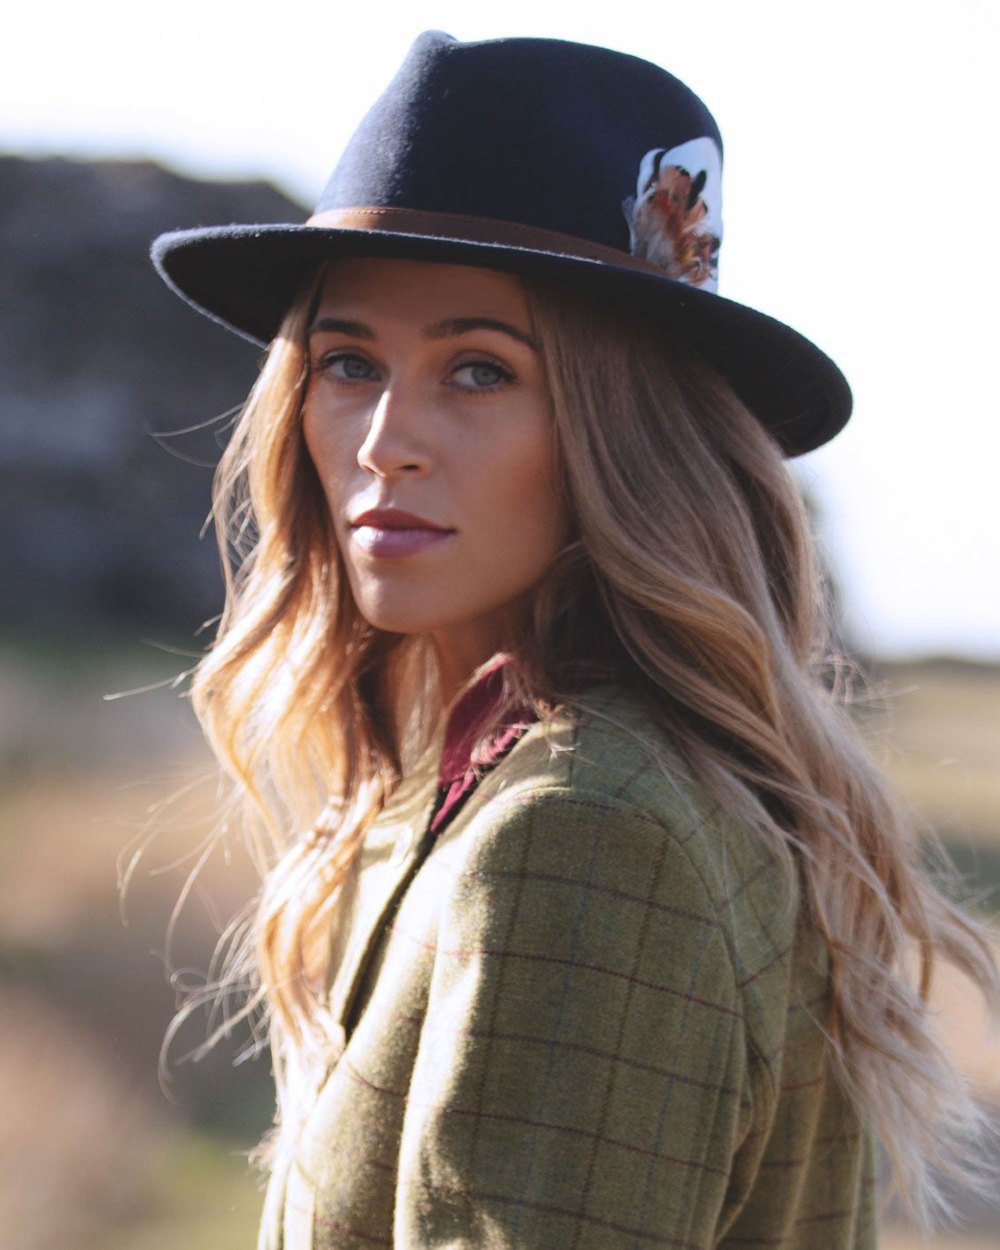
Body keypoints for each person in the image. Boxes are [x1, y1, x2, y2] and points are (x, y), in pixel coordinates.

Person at [151, 31, 999, 1250]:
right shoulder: (497, 786)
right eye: (347, 361)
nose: (386, 436)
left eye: (480, 371)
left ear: (627, 434)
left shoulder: (581, 830)